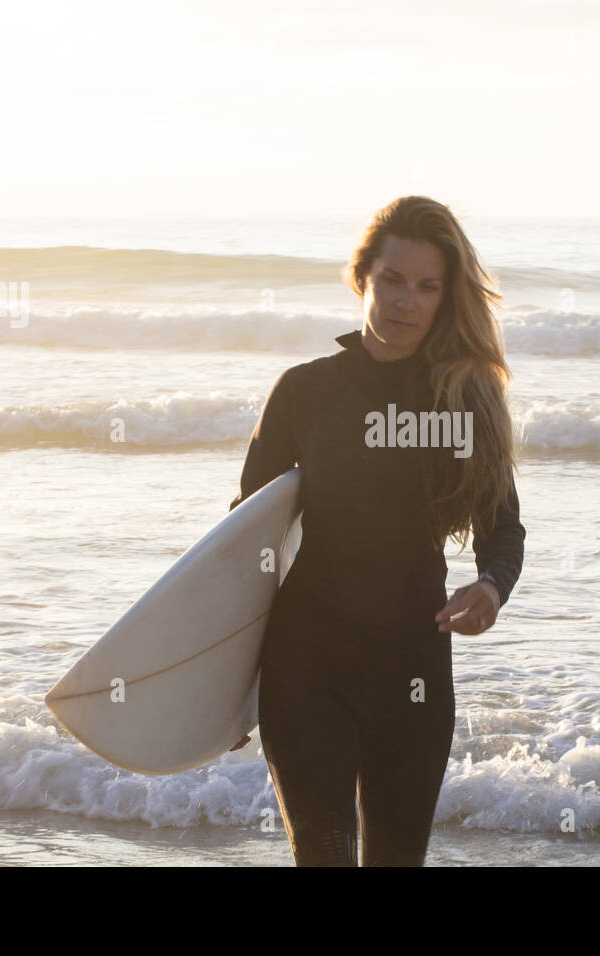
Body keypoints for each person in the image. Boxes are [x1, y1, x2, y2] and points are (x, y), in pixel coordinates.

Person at [227, 196, 525, 866]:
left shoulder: (464, 403)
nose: (406, 303)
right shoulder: (304, 393)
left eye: (427, 287)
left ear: (446, 298)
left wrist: (492, 586)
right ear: (363, 276)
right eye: (392, 280)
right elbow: (247, 546)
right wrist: (221, 689)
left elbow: (502, 529)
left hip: (412, 674)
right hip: (305, 670)